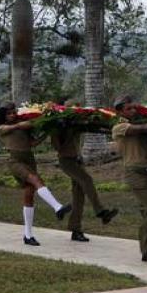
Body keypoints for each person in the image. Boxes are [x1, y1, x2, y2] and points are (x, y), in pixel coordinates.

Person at [0, 103, 71, 246]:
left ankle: (28, 234)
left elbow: (32, 143)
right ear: (3, 116)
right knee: (35, 180)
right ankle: (57, 207)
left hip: (29, 159)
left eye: (14, 112)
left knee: (29, 194)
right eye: (9, 113)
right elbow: (8, 128)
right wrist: (23, 124)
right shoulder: (1, 128)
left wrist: (47, 132)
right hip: (15, 161)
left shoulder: (23, 127)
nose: (12, 115)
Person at [111, 95, 147, 264]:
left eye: (134, 108)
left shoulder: (141, 128)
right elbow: (143, 128)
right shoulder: (119, 127)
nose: (133, 111)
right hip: (134, 172)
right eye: (129, 108)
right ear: (120, 111)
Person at [50, 103, 118, 242]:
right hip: (66, 161)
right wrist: (64, 130)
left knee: (78, 197)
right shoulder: (57, 127)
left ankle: (76, 230)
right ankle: (100, 211)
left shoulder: (78, 125)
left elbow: (94, 127)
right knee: (87, 180)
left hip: (77, 161)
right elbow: (58, 148)